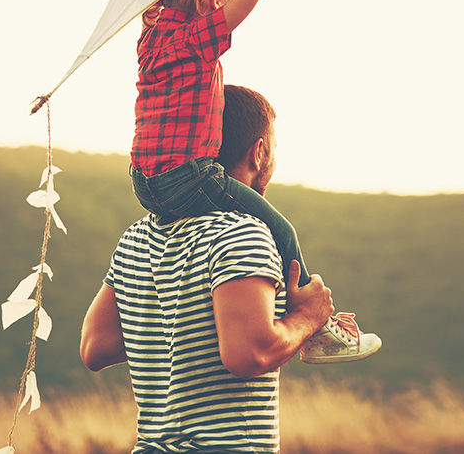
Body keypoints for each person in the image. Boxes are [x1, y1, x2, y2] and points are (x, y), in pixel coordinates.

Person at [82, 85, 382, 454]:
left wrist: (182, 328)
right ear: (259, 153)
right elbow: (247, 355)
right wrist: (307, 319)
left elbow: (96, 347)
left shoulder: (137, 237)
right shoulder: (241, 230)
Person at [128, 0, 376, 364]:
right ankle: (316, 328)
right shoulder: (193, 39)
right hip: (187, 177)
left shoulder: (150, 39)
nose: (227, 8)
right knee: (282, 231)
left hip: (143, 182)